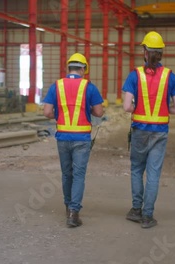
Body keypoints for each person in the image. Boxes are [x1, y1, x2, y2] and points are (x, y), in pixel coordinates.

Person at [122, 31, 175, 228]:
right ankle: (148, 216)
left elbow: (126, 106)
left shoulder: (135, 75)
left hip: (140, 130)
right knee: (154, 173)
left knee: (136, 170)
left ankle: (136, 210)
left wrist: (137, 109)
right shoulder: (170, 76)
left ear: (145, 52)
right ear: (161, 53)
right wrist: (165, 111)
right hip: (160, 132)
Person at [42, 53, 104, 228]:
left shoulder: (57, 86)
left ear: (68, 68)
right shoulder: (89, 87)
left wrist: (59, 114)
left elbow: (47, 112)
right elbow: (99, 112)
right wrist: (88, 110)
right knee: (78, 175)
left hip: (62, 137)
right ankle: (74, 213)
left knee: (66, 174)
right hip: (82, 138)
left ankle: (67, 207)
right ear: (83, 69)